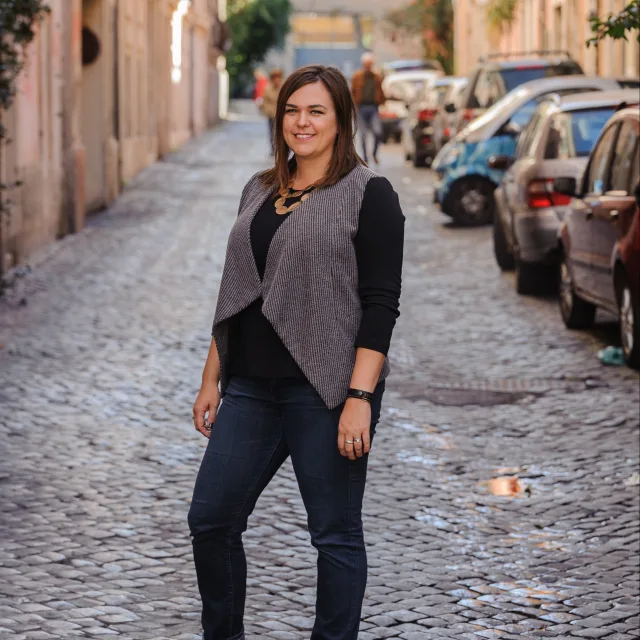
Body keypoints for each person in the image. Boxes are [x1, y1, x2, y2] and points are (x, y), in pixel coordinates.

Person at [188, 64, 405, 640]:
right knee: (210, 520)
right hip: (250, 389)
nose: (301, 122)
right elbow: (235, 290)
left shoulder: (370, 194)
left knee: (334, 533)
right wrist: (212, 377)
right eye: (292, 110)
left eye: (316, 111)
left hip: (328, 389)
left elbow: (381, 305)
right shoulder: (259, 189)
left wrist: (359, 397)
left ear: (341, 120)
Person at [350, 52, 385, 165]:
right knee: (363, 135)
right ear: (363, 64)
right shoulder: (357, 77)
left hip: (374, 108)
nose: (368, 66)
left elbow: (381, 92)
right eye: (367, 63)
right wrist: (353, 107)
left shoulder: (376, 77)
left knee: (378, 132)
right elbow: (352, 92)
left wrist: (383, 102)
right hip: (361, 108)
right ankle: (365, 158)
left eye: (370, 63)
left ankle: (374, 154)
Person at [260, 68, 284, 154]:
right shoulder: (267, 89)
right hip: (271, 114)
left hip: (282, 114)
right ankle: (273, 149)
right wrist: (267, 110)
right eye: (275, 78)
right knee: (272, 132)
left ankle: (281, 148)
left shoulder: (284, 88)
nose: (277, 80)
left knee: (281, 133)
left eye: (278, 77)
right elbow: (264, 101)